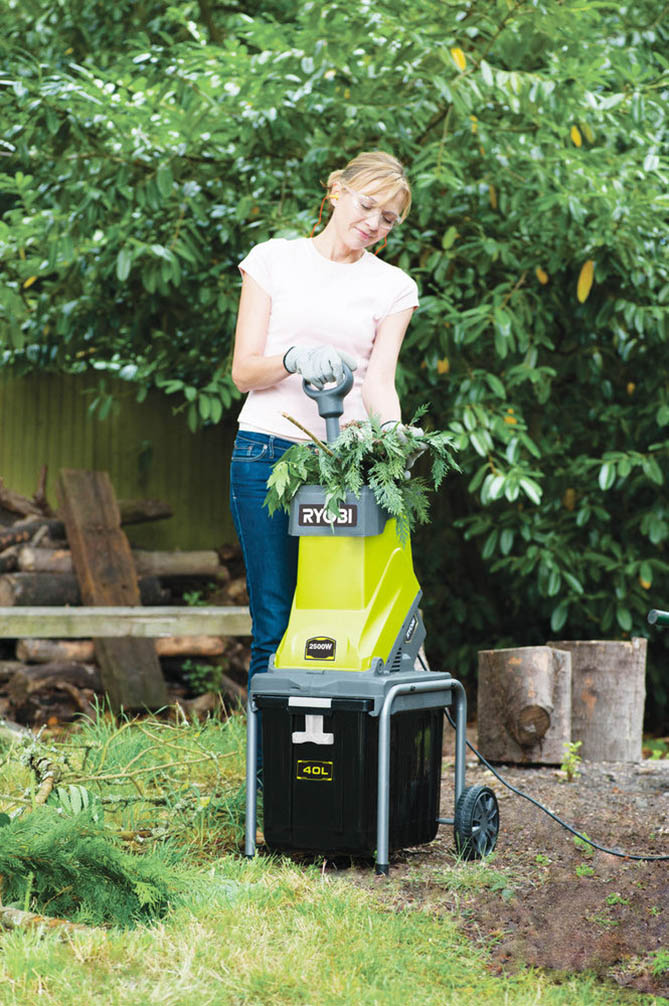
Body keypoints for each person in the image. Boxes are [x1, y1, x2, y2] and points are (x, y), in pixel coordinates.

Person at [229, 151, 419, 764]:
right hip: (266, 454)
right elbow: (243, 372)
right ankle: (271, 782)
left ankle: (335, 771)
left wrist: (394, 448)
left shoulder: (392, 287)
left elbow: (379, 382)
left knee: (340, 620)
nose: (374, 224)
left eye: (388, 219)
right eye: (368, 206)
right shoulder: (273, 261)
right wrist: (292, 359)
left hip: (344, 471)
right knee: (276, 619)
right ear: (336, 191)